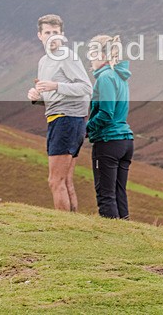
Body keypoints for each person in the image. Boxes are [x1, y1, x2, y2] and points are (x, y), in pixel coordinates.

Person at [27, 14, 92, 212]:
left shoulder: (66, 55)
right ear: (40, 35)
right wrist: (36, 97)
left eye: (56, 33)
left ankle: (63, 228)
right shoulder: (44, 61)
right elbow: (54, 96)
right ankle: (73, 227)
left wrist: (55, 85)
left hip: (68, 120)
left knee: (55, 181)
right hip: (60, 118)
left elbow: (86, 88)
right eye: (48, 33)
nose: (52, 37)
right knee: (65, 181)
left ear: (63, 35)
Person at [86, 35, 134, 219]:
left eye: (92, 55)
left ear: (102, 55)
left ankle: (113, 237)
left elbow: (106, 113)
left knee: (105, 194)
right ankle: (126, 233)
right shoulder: (120, 76)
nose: (90, 60)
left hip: (108, 141)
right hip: (125, 141)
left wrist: (86, 129)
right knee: (119, 192)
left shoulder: (105, 78)